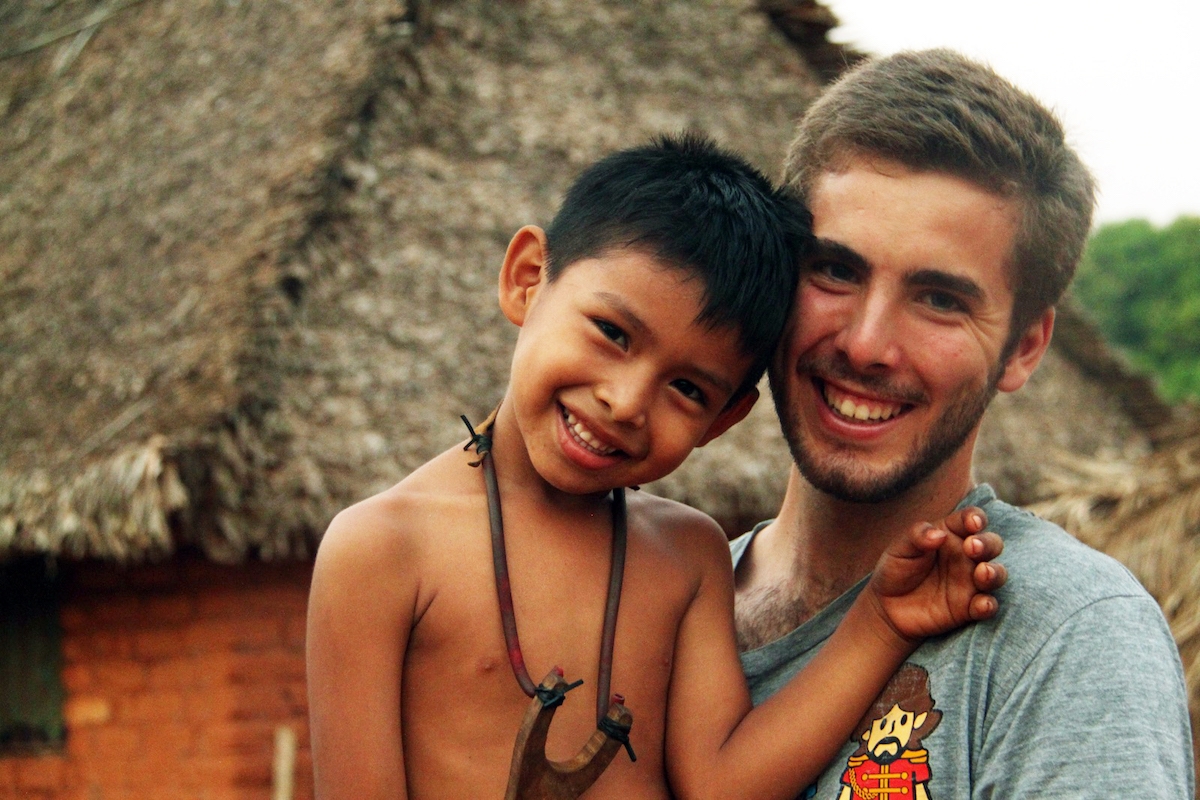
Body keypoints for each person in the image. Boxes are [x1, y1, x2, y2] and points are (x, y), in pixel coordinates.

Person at [306, 133, 1009, 799]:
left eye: (688, 389)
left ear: (723, 420)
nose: (625, 402)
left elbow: (723, 785)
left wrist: (881, 623)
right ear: (526, 280)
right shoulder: (383, 551)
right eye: (612, 333)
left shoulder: (684, 554)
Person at [732, 49, 1195, 799]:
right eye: (837, 270)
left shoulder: (1066, 637)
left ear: (1025, 348)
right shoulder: (658, 605)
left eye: (940, 300)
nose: (865, 345)